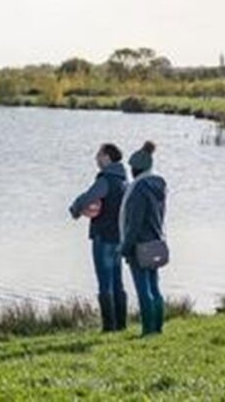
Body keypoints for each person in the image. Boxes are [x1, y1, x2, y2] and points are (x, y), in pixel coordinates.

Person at [69, 143, 129, 332]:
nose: (96, 159)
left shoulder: (105, 180)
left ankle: (108, 327)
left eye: (98, 155)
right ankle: (121, 325)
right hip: (119, 237)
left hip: (103, 236)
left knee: (105, 283)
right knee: (118, 281)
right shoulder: (124, 181)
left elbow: (89, 197)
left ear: (107, 157)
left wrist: (75, 210)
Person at [120, 141, 168, 337]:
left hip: (140, 245)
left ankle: (148, 330)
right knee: (155, 287)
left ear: (135, 168)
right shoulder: (158, 185)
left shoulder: (138, 189)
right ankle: (157, 328)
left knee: (143, 290)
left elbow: (134, 223)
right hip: (156, 242)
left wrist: (125, 247)